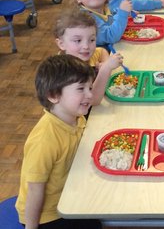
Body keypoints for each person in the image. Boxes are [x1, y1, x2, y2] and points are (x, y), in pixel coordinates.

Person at [15, 54, 102, 229]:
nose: (89, 94)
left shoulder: (75, 117)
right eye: (81, 89)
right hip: (47, 215)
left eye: (90, 87)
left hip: (68, 194)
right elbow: (34, 191)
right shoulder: (44, 140)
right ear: (54, 95)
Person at [54, 8, 124, 106]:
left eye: (91, 40)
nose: (86, 46)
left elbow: (101, 51)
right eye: (78, 40)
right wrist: (105, 69)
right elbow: (91, 101)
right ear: (61, 44)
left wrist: (104, 61)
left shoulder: (83, 55)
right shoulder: (64, 72)